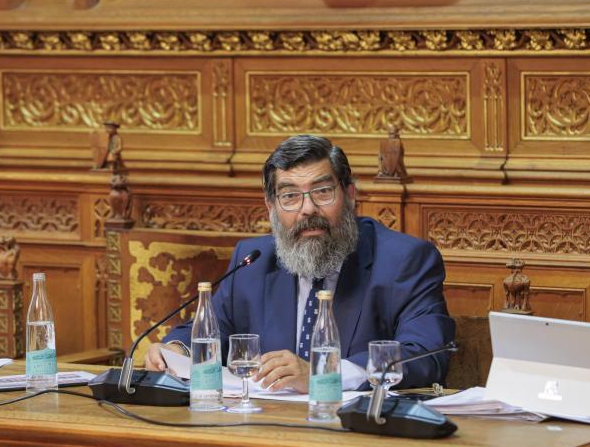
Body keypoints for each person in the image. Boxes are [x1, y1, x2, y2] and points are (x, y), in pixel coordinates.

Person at [145, 135, 455, 392]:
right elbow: (214, 329)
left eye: (322, 191)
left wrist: (323, 372)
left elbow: (425, 355)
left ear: (350, 195)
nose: (308, 209)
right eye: (290, 196)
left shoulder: (404, 261)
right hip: (265, 428)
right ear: (271, 207)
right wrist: (177, 351)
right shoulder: (254, 261)